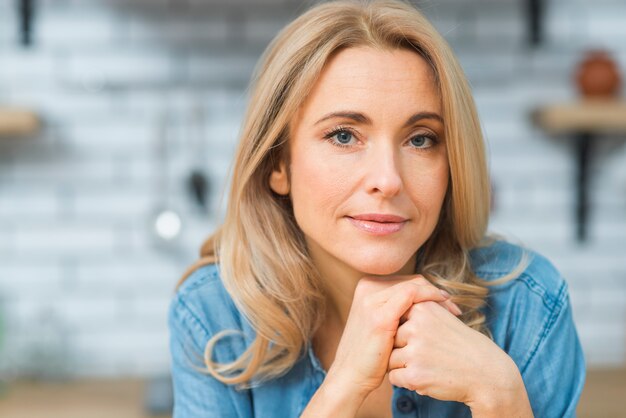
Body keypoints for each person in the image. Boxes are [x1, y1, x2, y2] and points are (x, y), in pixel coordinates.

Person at [168, 0, 586, 416]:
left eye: (420, 139)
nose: (388, 180)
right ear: (279, 163)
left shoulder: (528, 303)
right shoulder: (214, 315)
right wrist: (343, 387)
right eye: (344, 136)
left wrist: (500, 396)